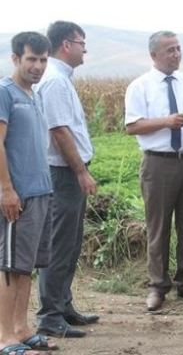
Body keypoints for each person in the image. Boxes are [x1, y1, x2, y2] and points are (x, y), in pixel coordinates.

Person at [125, 30, 183, 312]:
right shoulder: (140, 86)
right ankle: (157, 286)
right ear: (154, 55)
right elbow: (132, 126)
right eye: (170, 51)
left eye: (178, 49)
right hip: (159, 163)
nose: (176, 54)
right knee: (158, 226)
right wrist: (166, 122)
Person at [35, 20, 99, 339]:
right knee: (59, 245)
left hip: (66, 174)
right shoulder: (55, 81)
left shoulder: (61, 78)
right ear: (66, 45)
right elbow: (59, 130)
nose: (84, 49)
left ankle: (63, 306)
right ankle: (49, 315)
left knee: (71, 243)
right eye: (81, 43)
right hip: (62, 175)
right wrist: (81, 171)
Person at [0, 31, 59, 354]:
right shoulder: (4, 93)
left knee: (27, 266)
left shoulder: (33, 94)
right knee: (9, 267)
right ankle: (5, 337)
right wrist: (6, 189)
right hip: (17, 196)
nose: (37, 66)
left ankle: (22, 329)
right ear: (15, 59)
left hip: (41, 192)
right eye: (31, 59)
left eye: (42, 60)